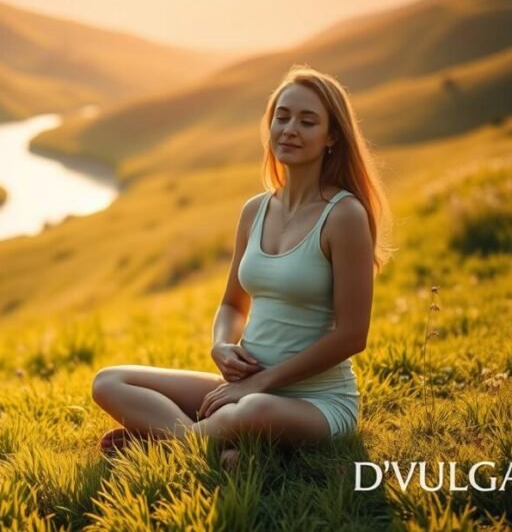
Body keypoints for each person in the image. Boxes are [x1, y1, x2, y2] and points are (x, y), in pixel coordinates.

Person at [91, 65, 392, 466]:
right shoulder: (255, 210)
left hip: (315, 401)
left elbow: (353, 335)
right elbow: (233, 304)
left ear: (332, 136)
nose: (290, 129)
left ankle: (171, 444)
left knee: (253, 413)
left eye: (307, 121)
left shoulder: (344, 215)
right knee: (109, 381)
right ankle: (227, 448)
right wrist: (221, 344)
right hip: (244, 386)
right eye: (282, 117)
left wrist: (261, 384)